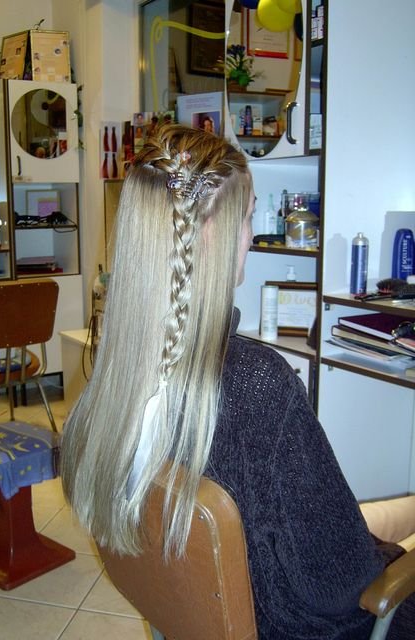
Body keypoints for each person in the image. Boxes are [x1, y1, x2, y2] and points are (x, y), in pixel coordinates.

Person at [60, 124, 413, 639]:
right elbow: (341, 585)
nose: (250, 237)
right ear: (212, 233)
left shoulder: (120, 378)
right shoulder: (256, 384)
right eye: (247, 218)